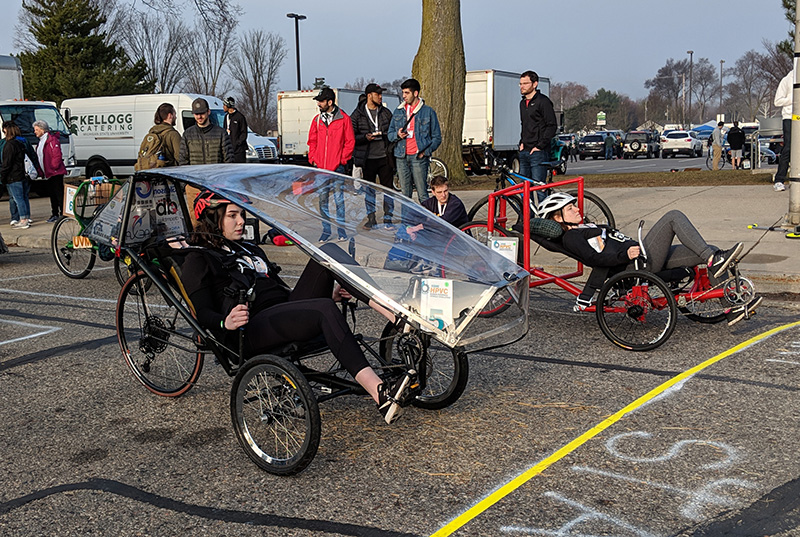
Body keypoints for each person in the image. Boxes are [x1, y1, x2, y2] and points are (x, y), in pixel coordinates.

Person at [181, 190, 414, 424]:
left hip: (283, 311)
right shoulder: (199, 259)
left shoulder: (250, 249)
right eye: (232, 215)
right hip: (252, 327)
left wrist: (328, 294)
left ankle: (394, 314)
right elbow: (202, 313)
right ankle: (380, 393)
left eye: (241, 214)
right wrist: (225, 322)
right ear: (212, 218)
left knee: (328, 252)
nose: (241, 221)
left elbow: (278, 289)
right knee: (322, 309)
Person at [537, 192, 761, 326]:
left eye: (575, 205)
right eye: (570, 207)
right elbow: (595, 258)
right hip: (637, 263)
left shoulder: (585, 226)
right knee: (673, 217)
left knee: (707, 249)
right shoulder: (573, 236)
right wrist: (625, 254)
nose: (577, 208)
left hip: (643, 256)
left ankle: (731, 307)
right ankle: (714, 259)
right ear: (557, 217)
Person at [308, 87, 354, 242]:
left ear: (330, 101)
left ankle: (341, 231)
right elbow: (312, 141)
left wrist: (342, 160)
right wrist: (313, 157)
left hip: (337, 167)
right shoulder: (317, 120)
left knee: (339, 200)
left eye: (321, 101)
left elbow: (350, 142)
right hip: (321, 167)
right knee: (322, 200)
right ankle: (326, 230)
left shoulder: (344, 119)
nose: (319, 104)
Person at [388, 78, 442, 212]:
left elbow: (437, 137)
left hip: (418, 157)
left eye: (407, 93)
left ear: (416, 93)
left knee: (422, 193)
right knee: (405, 195)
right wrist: (397, 135)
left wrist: (426, 151)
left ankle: (428, 222)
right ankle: (406, 224)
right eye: (403, 93)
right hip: (401, 156)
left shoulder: (428, 112)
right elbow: (389, 134)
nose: (404, 96)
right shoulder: (398, 111)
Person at [351, 83, 395, 230]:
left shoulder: (386, 112)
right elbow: (352, 137)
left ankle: (388, 218)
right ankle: (371, 218)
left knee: (388, 190)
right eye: (378, 94)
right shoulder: (357, 114)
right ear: (370, 96)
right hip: (368, 158)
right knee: (369, 190)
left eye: (381, 94)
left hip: (384, 157)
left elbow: (392, 132)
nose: (381, 97)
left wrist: (387, 138)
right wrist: (364, 137)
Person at [518, 70, 557, 183]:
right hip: (524, 150)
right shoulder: (522, 103)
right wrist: (522, 143)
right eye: (520, 84)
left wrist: (540, 146)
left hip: (538, 152)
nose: (522, 86)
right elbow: (524, 124)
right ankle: (527, 202)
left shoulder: (543, 102)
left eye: (525, 83)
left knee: (539, 188)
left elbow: (552, 125)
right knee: (523, 189)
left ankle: (543, 201)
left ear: (535, 84)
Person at [179, 97, 235, 166]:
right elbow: (183, 161)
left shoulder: (221, 133)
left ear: (208, 112)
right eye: (196, 114)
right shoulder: (187, 135)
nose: (199, 116)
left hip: (216, 175)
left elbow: (229, 161)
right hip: (195, 175)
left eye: (202, 113)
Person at [32, 120, 67, 223]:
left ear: (42, 130)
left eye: (37, 130)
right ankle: (55, 213)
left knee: (58, 193)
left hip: (55, 172)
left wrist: (54, 167)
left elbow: (56, 155)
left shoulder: (52, 140)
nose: (35, 132)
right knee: (52, 194)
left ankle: (63, 214)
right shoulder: (41, 141)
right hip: (47, 172)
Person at [1, 121, 33, 229]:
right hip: (21, 174)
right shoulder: (20, 143)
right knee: (23, 197)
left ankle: (23, 219)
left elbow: (7, 163)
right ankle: (26, 217)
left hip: (13, 176)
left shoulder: (9, 145)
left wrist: (2, 176)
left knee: (18, 198)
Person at [137, 103, 181, 168]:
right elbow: (180, 157)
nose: (176, 117)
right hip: (168, 172)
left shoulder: (152, 133)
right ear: (170, 115)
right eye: (175, 114)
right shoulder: (173, 134)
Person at [773, 69, 793, 191]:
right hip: (790, 118)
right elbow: (777, 101)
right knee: (788, 148)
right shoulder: (787, 80)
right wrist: (793, 98)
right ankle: (779, 179)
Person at [222, 97, 248, 163]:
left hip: (239, 151)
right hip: (229, 150)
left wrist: (237, 143)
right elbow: (224, 130)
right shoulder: (226, 117)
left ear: (228, 105)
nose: (223, 107)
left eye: (224, 105)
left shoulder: (240, 117)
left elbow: (244, 133)